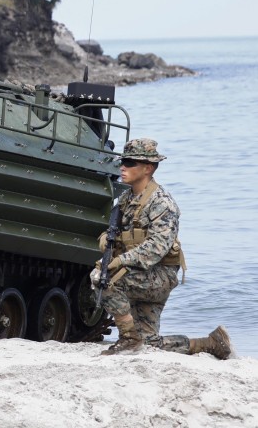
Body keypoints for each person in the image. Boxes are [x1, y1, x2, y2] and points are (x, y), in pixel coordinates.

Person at [95, 138, 232, 358]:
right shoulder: (125, 200)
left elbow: (156, 247)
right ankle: (211, 344)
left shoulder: (162, 203)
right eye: (123, 161)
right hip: (140, 273)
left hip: (159, 276)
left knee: (103, 278)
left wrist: (120, 261)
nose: (123, 167)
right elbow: (115, 232)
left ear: (148, 168)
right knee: (148, 344)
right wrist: (105, 240)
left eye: (130, 162)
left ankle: (128, 340)